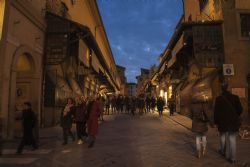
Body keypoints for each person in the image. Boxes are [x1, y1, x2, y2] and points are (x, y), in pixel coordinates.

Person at [214, 82, 243, 164]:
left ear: (222, 89)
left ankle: (223, 152)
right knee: (232, 139)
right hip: (233, 121)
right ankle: (233, 159)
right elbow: (240, 109)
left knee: (222, 136)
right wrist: (235, 115)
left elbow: (216, 112)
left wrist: (216, 121)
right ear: (228, 88)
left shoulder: (218, 99)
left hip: (222, 122)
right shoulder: (235, 97)